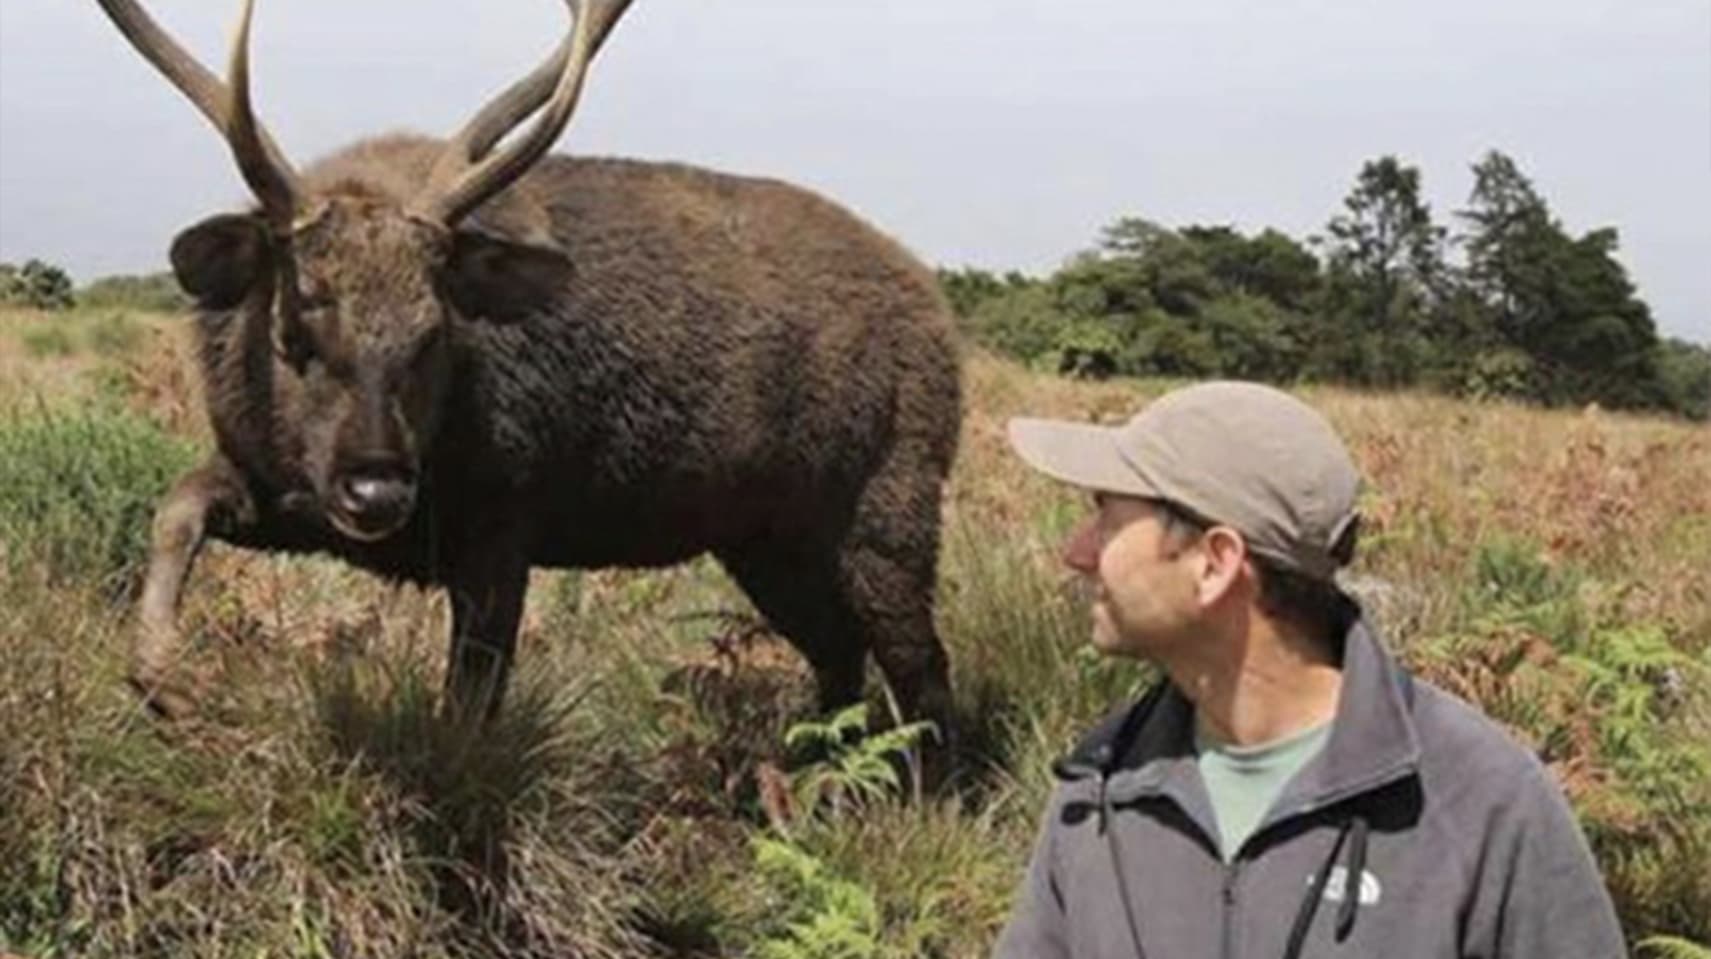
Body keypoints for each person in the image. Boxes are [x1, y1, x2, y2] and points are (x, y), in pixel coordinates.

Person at [993, 381, 1626, 959]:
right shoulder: (1098, 789)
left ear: (1214, 563)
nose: (1075, 553)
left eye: (1106, 519)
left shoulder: (1481, 802)